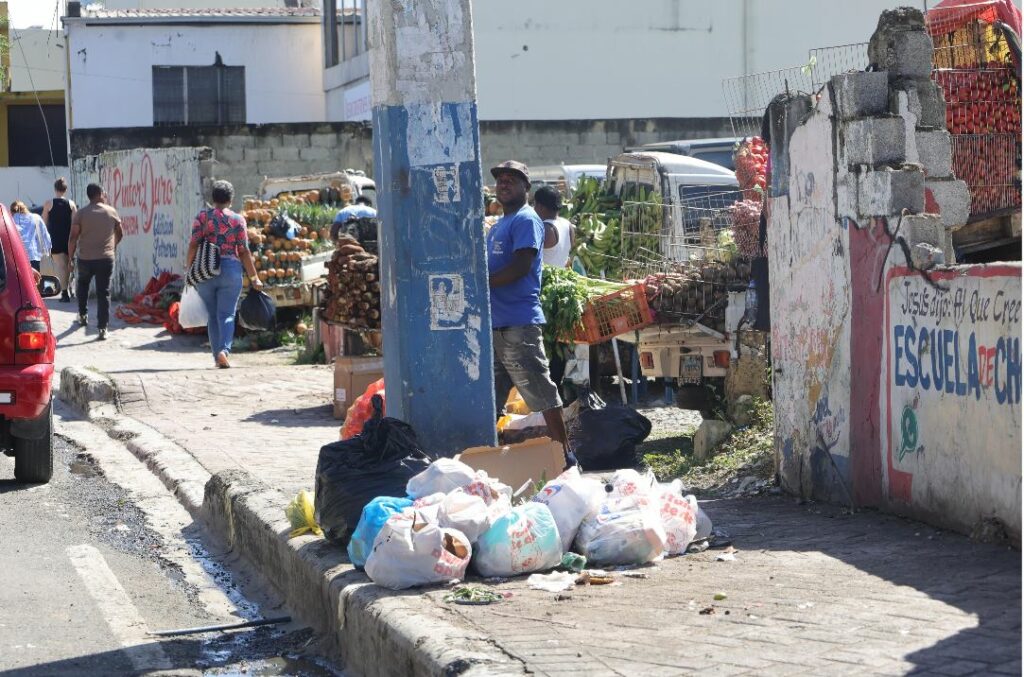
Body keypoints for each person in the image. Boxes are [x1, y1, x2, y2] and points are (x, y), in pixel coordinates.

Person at [487, 160, 573, 465]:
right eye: (501, 180)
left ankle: (565, 457)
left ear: (527, 188)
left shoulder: (526, 220)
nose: (505, 183)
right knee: (490, 400)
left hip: (518, 324)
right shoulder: (501, 224)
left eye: (513, 179)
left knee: (541, 393)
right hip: (496, 326)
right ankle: (489, 459)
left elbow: (521, 266)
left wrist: (480, 283)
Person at [186, 180, 262, 369]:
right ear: (231, 199)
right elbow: (243, 251)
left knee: (212, 315)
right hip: (230, 269)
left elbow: (193, 244)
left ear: (213, 198)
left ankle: (216, 356)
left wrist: (189, 269)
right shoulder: (238, 220)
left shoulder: (202, 217)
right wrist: (254, 278)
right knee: (227, 314)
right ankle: (224, 351)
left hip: (205, 270)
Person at [69, 184, 123, 341]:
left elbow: (73, 238)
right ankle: (103, 328)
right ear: (99, 194)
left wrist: (70, 259)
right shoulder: (111, 211)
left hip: (85, 258)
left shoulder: (81, 214)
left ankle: (83, 314)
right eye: (104, 192)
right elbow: (120, 233)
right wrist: (112, 247)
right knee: (103, 292)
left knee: (83, 285)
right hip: (106, 259)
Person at [42, 177, 77, 301]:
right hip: (68, 239)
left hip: (55, 238)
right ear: (65, 189)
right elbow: (75, 224)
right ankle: (66, 289)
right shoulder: (71, 204)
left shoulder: (48, 203)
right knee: (67, 265)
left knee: (61, 266)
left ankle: (64, 292)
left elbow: (44, 223)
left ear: (55, 188)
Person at [533, 185, 575, 268]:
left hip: (545, 279)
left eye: (535, 205)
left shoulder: (545, 228)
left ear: (541, 207)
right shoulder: (568, 225)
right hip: (561, 277)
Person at [9, 201, 51, 273]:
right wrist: (47, 253)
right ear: (25, 208)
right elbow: (46, 238)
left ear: (12, 211)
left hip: (16, 259)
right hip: (33, 257)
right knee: (34, 282)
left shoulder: (9, 220)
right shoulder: (36, 218)